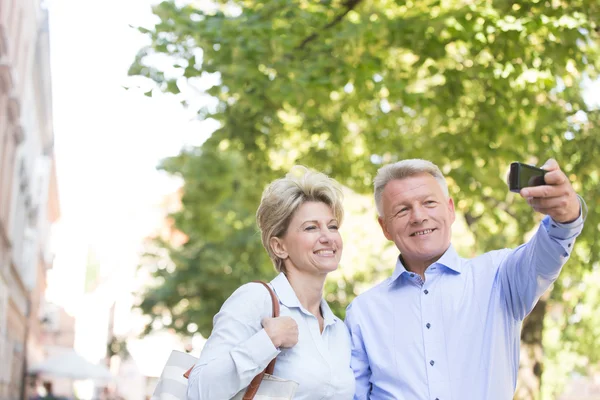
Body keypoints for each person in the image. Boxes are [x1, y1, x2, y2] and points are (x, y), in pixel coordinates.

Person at [344, 158, 585, 400]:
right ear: (385, 227)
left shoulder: (500, 276)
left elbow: (550, 249)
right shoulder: (363, 313)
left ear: (450, 210)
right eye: (402, 209)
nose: (418, 216)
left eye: (429, 203)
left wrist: (566, 216)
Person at [187, 166, 355, 400]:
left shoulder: (338, 330)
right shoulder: (256, 299)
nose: (327, 237)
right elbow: (198, 390)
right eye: (311, 227)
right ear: (279, 246)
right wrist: (267, 341)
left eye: (333, 226)